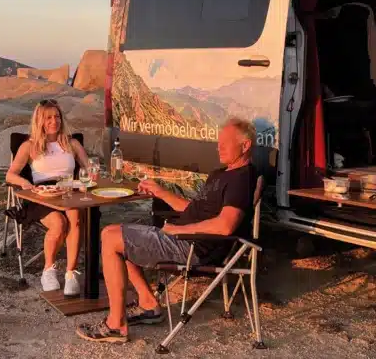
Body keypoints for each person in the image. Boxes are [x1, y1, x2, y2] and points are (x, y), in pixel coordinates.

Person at [76, 117, 257, 344]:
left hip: (194, 247)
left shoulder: (242, 178)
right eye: (218, 142)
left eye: (225, 143)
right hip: (184, 237)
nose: (218, 147)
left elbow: (225, 225)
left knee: (111, 238)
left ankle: (116, 324)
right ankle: (148, 304)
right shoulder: (221, 174)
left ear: (245, 145)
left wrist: (179, 230)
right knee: (115, 232)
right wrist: (160, 192)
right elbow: (191, 209)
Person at [6, 99, 92, 296]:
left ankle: (71, 273)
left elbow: (90, 168)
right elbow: (10, 175)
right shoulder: (29, 146)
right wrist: (26, 184)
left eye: (57, 116)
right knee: (59, 224)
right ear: (40, 121)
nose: (54, 121)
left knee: (76, 218)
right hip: (42, 195)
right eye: (49, 118)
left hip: (69, 191)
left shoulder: (72, 143)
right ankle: (48, 270)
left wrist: (90, 175)